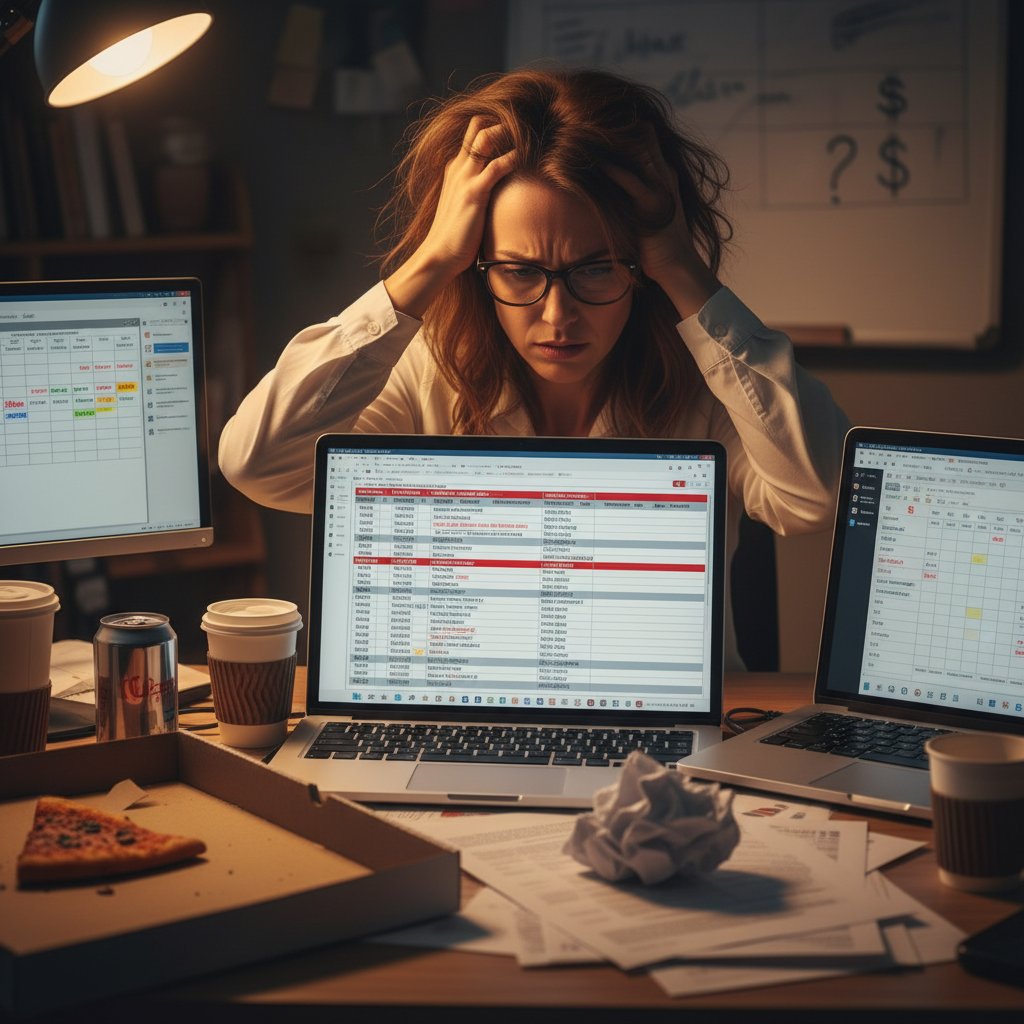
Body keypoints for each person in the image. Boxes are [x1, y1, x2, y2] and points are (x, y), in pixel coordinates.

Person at [218, 67, 850, 667]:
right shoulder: (424, 374)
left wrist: (680, 264)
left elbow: (817, 495)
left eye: (595, 269)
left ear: (641, 268)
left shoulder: (708, 385)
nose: (557, 317)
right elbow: (258, 463)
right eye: (520, 271)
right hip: (464, 709)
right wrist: (432, 258)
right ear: (477, 267)